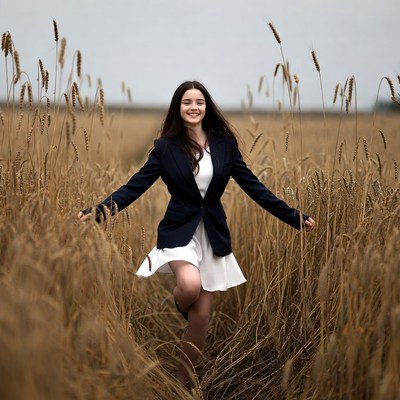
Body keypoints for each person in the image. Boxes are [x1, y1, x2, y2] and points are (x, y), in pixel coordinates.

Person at [78, 80, 315, 387]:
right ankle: (181, 304)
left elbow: (254, 187)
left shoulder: (224, 145)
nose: (193, 107)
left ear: (206, 107)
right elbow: (134, 187)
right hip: (178, 232)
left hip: (213, 234)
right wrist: (98, 211)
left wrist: (294, 217)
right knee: (190, 286)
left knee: (201, 316)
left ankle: (182, 383)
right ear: (179, 107)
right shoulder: (165, 148)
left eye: (199, 102)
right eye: (187, 102)